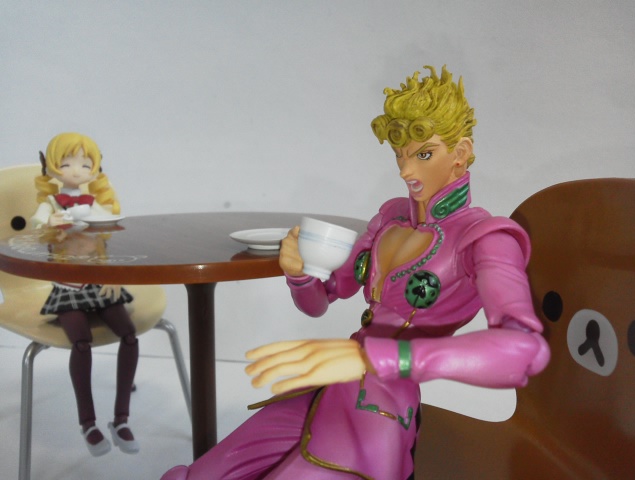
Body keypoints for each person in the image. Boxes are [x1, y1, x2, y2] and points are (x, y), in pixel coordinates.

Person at [162, 65, 550, 479]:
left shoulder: (484, 238)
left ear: (461, 151)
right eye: (400, 155)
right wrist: (299, 274)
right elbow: (321, 300)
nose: (406, 171)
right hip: (331, 385)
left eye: (423, 154)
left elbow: (523, 351)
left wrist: (375, 356)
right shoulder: (390, 218)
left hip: (381, 405)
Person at [32, 132, 140, 456]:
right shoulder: (51, 204)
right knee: (81, 342)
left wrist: (112, 274)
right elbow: (34, 230)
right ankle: (88, 423)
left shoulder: (96, 206)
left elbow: (113, 238)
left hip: (98, 282)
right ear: (52, 167)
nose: (76, 171)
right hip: (68, 286)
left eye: (84, 164)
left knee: (129, 335)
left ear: (95, 168)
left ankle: (121, 418)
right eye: (66, 164)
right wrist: (49, 223)